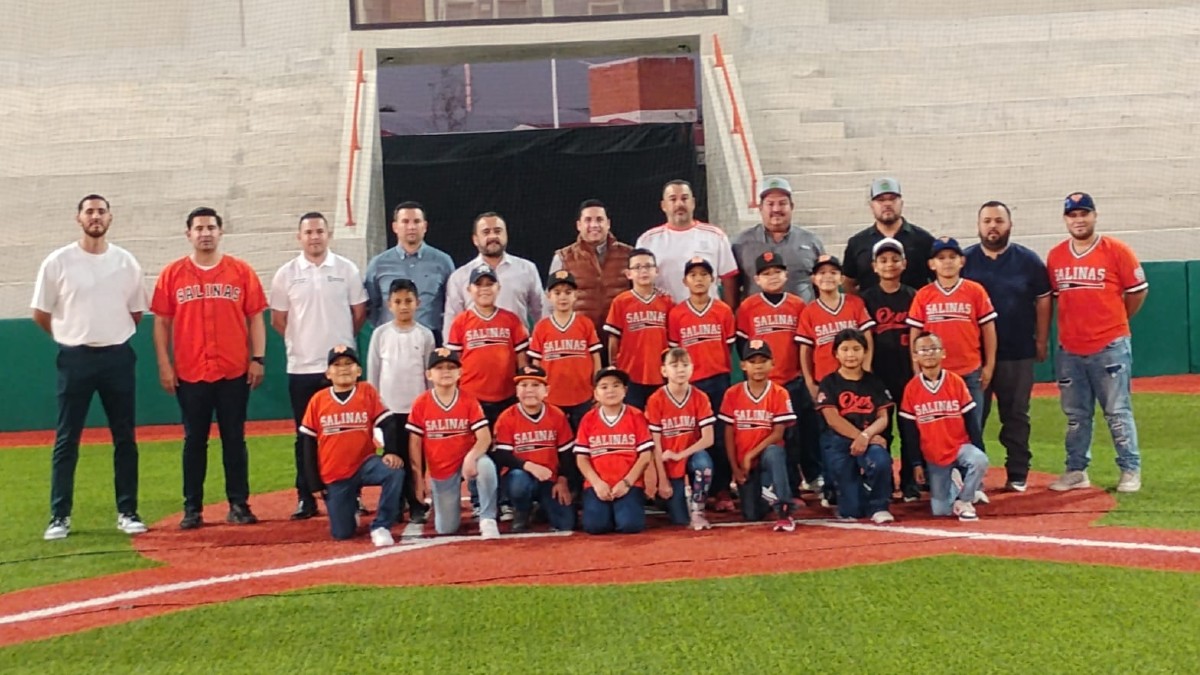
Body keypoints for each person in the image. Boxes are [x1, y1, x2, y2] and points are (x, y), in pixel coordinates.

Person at [32, 194, 148, 541]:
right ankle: (59, 516)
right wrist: (68, 336)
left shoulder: (126, 262)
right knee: (67, 438)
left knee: (125, 437)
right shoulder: (58, 262)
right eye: (89, 211)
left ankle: (128, 511)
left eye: (101, 211)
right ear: (78, 217)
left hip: (117, 357)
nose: (95, 217)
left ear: (110, 217)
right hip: (75, 358)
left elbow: (137, 312)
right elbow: (40, 312)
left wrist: (109, 334)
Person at [151, 207, 267, 530]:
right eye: (199, 227)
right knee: (194, 441)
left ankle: (239, 504)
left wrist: (258, 358)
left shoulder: (240, 271)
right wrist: (164, 364)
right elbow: (161, 322)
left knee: (234, 439)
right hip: (190, 372)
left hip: (232, 370)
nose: (205, 233)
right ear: (188, 233)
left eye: (211, 227)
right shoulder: (172, 274)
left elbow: (256, 316)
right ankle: (192, 508)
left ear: (221, 231)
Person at [1045, 192, 1148, 493]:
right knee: (1076, 416)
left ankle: (1130, 469)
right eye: (1073, 215)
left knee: (1117, 411)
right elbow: (1053, 298)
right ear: (1066, 219)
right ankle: (1076, 470)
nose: (1078, 220)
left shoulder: (1117, 250)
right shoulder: (1056, 256)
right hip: (1070, 348)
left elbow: (1138, 291)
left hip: (1109, 346)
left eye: (1084, 214)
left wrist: (1116, 321)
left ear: (1094, 216)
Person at [269, 211, 368, 521]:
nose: (314, 237)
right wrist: (302, 344)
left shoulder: (346, 269)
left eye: (320, 231)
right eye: (308, 232)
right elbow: (278, 320)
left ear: (329, 235)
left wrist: (341, 348)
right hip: (301, 368)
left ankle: (354, 494)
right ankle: (306, 496)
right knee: (306, 435)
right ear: (299, 237)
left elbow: (359, 312)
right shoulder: (286, 274)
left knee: (351, 432)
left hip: (341, 369)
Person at [962, 202, 1051, 492]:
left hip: (1017, 352)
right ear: (978, 226)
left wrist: (1041, 338)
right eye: (987, 221)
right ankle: (971, 476)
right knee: (974, 418)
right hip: (974, 356)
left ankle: (1017, 472)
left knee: (1015, 415)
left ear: (1010, 224)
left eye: (999, 220)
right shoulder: (965, 261)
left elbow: (1043, 299)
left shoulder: (1028, 261)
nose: (992, 226)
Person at [299, 346, 405, 546]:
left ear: (359, 370)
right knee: (342, 533)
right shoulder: (318, 400)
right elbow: (307, 442)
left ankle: (381, 525)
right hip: (335, 472)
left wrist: (391, 451)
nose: (343, 369)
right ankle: (350, 506)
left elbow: (388, 422)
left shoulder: (366, 391)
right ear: (328, 373)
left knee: (394, 472)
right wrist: (313, 482)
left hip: (365, 463)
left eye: (349, 364)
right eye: (337, 365)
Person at [735, 251, 818, 498]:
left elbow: (804, 345)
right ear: (757, 279)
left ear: (786, 275)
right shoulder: (748, 307)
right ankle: (781, 486)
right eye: (766, 273)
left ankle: (812, 478)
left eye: (776, 272)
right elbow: (743, 345)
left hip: (792, 380)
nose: (772, 277)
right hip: (765, 387)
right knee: (772, 438)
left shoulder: (797, 304)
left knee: (800, 435)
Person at [667, 257, 737, 512]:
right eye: (693, 275)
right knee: (689, 434)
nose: (698, 279)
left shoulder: (723, 311)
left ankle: (721, 489)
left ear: (713, 279)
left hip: (718, 379)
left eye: (704, 274)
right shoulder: (677, 313)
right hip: (689, 384)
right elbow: (675, 353)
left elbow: (728, 347)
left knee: (719, 435)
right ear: (685, 281)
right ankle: (693, 489)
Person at [406, 348, 500, 538]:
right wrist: (418, 479)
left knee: (486, 467)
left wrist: (471, 457)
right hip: (441, 468)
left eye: (451, 367)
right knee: (446, 528)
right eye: (439, 368)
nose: (446, 372)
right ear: (429, 375)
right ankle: (445, 505)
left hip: (468, 461)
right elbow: (415, 444)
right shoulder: (421, 403)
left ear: (460, 372)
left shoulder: (468, 400)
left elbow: (485, 437)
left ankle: (487, 517)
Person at [906, 236, 997, 431]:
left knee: (973, 429)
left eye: (952, 256)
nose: (947, 262)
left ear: (961, 261)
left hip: (970, 370)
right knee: (939, 429)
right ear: (932, 264)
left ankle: (973, 462)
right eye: (941, 258)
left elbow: (988, 329)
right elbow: (915, 334)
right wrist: (916, 368)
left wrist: (989, 365)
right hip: (935, 373)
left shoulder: (975, 291)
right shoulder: (924, 294)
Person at [898, 332, 989, 521]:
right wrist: (916, 463)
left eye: (934, 349)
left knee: (980, 460)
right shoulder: (912, 388)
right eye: (923, 350)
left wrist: (979, 449)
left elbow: (971, 421)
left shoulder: (955, 382)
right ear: (915, 356)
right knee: (941, 510)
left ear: (943, 353)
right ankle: (956, 482)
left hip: (959, 447)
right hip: (934, 456)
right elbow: (909, 432)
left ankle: (965, 500)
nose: (929, 354)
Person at [366, 278, 435, 523]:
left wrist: (430, 406)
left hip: (416, 411)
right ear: (389, 304)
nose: (403, 306)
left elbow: (430, 375)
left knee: (416, 459)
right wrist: (374, 410)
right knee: (394, 458)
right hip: (388, 411)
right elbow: (373, 372)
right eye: (398, 301)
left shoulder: (425, 335)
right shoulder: (380, 335)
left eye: (408, 301)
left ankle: (416, 502)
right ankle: (394, 505)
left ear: (418, 302)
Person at [859, 237, 921, 501]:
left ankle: (910, 483)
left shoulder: (914, 295)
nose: (889, 264)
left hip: (908, 372)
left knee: (910, 429)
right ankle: (883, 482)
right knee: (882, 431)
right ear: (874, 266)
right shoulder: (866, 298)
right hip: (879, 373)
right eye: (883, 260)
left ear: (904, 263)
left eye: (895, 259)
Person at [815, 329, 895, 524]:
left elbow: (883, 417)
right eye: (845, 349)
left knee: (880, 460)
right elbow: (832, 419)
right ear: (836, 353)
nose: (851, 354)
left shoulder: (874, 381)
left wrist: (866, 436)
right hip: (840, 442)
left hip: (868, 438)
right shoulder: (829, 382)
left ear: (865, 352)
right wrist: (861, 437)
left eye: (856, 349)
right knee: (851, 510)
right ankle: (854, 494)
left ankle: (879, 505)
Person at [720, 340, 797, 531]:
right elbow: (728, 434)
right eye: (753, 361)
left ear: (772, 363)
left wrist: (750, 455)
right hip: (746, 467)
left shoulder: (779, 393)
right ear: (743, 365)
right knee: (751, 514)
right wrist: (735, 469)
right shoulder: (732, 394)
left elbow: (778, 433)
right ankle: (765, 494)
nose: (758, 366)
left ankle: (784, 511)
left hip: (765, 458)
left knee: (774, 452)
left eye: (763, 360)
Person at [491, 365, 577, 532]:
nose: (529, 390)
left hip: (549, 478)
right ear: (516, 391)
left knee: (566, 524)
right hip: (521, 475)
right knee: (518, 481)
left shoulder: (557, 415)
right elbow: (502, 455)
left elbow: (566, 453)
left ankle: (542, 508)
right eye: (524, 385)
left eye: (535, 385)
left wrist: (562, 480)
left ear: (547, 390)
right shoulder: (507, 417)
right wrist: (530, 466)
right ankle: (521, 509)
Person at [445, 265, 530, 426]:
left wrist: (522, 388)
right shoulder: (461, 322)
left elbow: (522, 359)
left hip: (507, 395)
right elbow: (454, 361)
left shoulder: (511, 319)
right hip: (471, 396)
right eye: (479, 284)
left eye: (489, 284)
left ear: (498, 288)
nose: (484, 289)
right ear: (469, 289)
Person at [574, 367, 655, 535]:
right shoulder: (588, 419)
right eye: (604, 387)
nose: (610, 390)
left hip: (628, 483)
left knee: (630, 526)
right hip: (598, 484)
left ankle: (621, 509)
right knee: (595, 527)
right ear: (596, 393)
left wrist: (626, 483)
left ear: (625, 391)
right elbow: (582, 458)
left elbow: (645, 455)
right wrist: (597, 483)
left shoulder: (636, 415)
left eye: (616, 385)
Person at [644, 347, 716, 530]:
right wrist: (662, 480)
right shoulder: (656, 400)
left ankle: (699, 510)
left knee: (704, 465)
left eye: (685, 365)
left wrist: (680, 454)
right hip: (667, 464)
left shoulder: (700, 397)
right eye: (674, 365)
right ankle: (665, 501)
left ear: (692, 368)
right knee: (679, 519)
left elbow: (708, 439)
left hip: (689, 457)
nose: (680, 370)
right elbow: (655, 443)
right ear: (664, 370)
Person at [363, 201, 455, 343]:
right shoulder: (378, 264)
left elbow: (450, 304)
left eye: (417, 221)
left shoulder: (443, 262)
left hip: (431, 340)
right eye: (405, 222)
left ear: (425, 226)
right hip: (390, 341)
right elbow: (371, 306)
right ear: (395, 227)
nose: (411, 227)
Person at [636, 180, 738, 305]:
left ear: (693, 203)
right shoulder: (647, 240)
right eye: (673, 199)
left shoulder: (716, 236)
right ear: (663, 205)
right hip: (663, 316)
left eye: (684, 198)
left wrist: (729, 313)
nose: (679, 204)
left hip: (707, 317)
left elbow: (729, 279)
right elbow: (638, 282)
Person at [443, 212, 543, 337]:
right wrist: (450, 355)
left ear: (506, 234)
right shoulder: (460, 276)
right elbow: (451, 322)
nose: (493, 236)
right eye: (486, 232)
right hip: (475, 350)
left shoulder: (527, 269)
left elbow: (541, 313)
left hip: (518, 350)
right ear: (475, 239)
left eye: (498, 231)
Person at [731, 177, 826, 302]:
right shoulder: (741, 243)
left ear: (791, 206)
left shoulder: (811, 241)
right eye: (770, 204)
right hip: (758, 318)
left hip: (803, 318)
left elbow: (823, 283)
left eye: (782, 203)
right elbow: (732, 286)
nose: (776, 209)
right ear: (760, 207)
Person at [528, 270, 602, 430]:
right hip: (552, 396)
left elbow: (595, 357)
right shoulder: (541, 327)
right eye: (557, 292)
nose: (563, 297)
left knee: (584, 437)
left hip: (582, 395)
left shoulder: (585, 323)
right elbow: (536, 363)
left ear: (576, 295)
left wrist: (596, 386)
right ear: (549, 296)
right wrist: (537, 389)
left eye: (568, 292)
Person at [547, 199, 633, 334]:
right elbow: (550, 304)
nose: (594, 225)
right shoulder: (563, 258)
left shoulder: (629, 255)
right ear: (579, 225)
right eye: (588, 220)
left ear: (608, 223)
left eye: (599, 219)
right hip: (580, 338)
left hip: (621, 336)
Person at [603, 248, 674, 411]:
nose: (643, 271)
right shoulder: (621, 302)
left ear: (656, 271)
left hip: (661, 373)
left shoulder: (667, 301)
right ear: (628, 274)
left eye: (648, 266)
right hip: (630, 374)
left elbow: (673, 340)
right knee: (633, 418)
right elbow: (614, 339)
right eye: (637, 267)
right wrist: (614, 366)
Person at [842, 178, 935, 293]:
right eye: (880, 200)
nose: (887, 204)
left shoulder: (924, 240)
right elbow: (848, 283)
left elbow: (938, 280)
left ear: (901, 203)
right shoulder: (857, 243)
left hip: (915, 309)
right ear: (872, 206)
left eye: (892, 199)